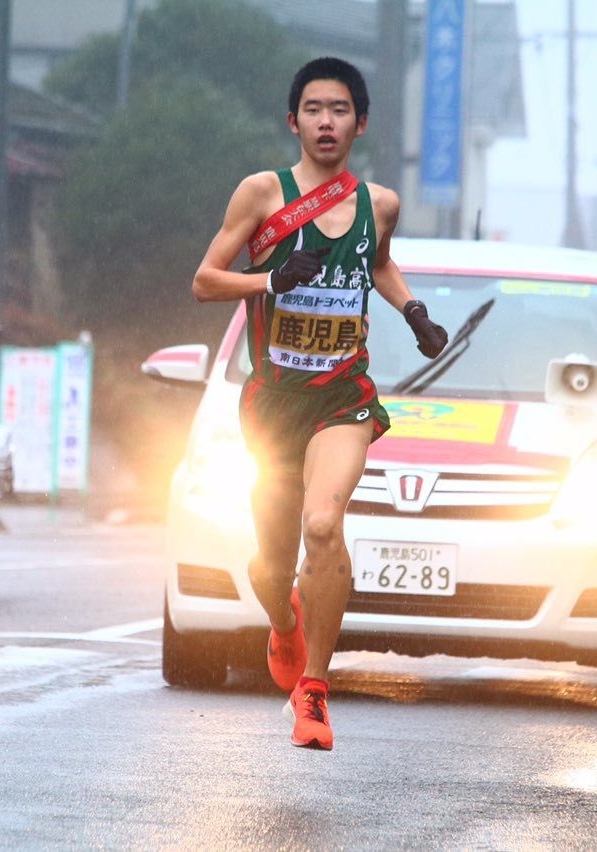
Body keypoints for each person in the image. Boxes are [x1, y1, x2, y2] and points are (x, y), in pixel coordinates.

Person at [192, 57, 449, 750]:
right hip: (275, 401)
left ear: (359, 123)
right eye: (313, 109)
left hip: (343, 395)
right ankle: (283, 622)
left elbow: (378, 261)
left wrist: (413, 309)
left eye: (339, 109)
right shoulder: (261, 194)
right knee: (273, 568)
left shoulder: (380, 204)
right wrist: (270, 280)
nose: (326, 121)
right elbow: (206, 281)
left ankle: (314, 689)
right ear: (293, 121)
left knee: (324, 523)